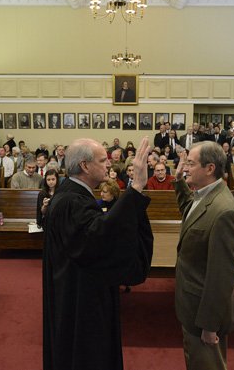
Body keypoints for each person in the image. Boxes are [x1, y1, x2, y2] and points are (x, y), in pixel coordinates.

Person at [42, 137, 153, 370]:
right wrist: (136, 189)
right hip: (81, 300)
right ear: (85, 166)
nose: (109, 165)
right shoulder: (72, 201)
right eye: (103, 160)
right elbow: (99, 238)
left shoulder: (73, 195)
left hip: (77, 291)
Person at [173, 141, 234, 370]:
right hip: (192, 305)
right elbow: (190, 213)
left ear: (210, 168)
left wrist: (210, 325)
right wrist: (178, 182)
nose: (185, 168)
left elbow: (221, 276)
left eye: (191, 164)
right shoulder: (204, 194)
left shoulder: (224, 211)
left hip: (204, 313)